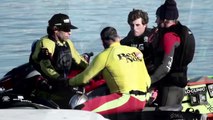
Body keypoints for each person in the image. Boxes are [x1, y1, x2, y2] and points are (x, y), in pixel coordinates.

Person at [68, 26, 151, 115]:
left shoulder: (105, 55)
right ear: (118, 38)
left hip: (126, 99)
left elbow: (84, 78)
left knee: (80, 109)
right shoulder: (135, 51)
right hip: (144, 98)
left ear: (103, 42)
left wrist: (69, 82)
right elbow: (148, 81)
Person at [29, 13, 88, 108]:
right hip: (48, 84)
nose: (70, 32)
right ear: (55, 29)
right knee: (74, 99)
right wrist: (60, 79)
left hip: (63, 81)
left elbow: (79, 60)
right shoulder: (46, 43)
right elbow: (46, 67)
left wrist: (94, 70)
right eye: (66, 30)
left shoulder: (67, 42)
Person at [150, 0, 195, 107]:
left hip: (169, 87)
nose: (156, 21)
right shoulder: (186, 32)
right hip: (181, 85)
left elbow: (166, 67)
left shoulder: (169, 36)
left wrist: (148, 81)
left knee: (165, 116)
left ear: (164, 20)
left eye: (157, 18)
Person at [120, 9, 157, 74]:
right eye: (132, 25)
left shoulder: (152, 36)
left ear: (145, 24)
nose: (134, 28)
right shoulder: (129, 37)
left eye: (137, 25)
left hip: (151, 71)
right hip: (134, 70)